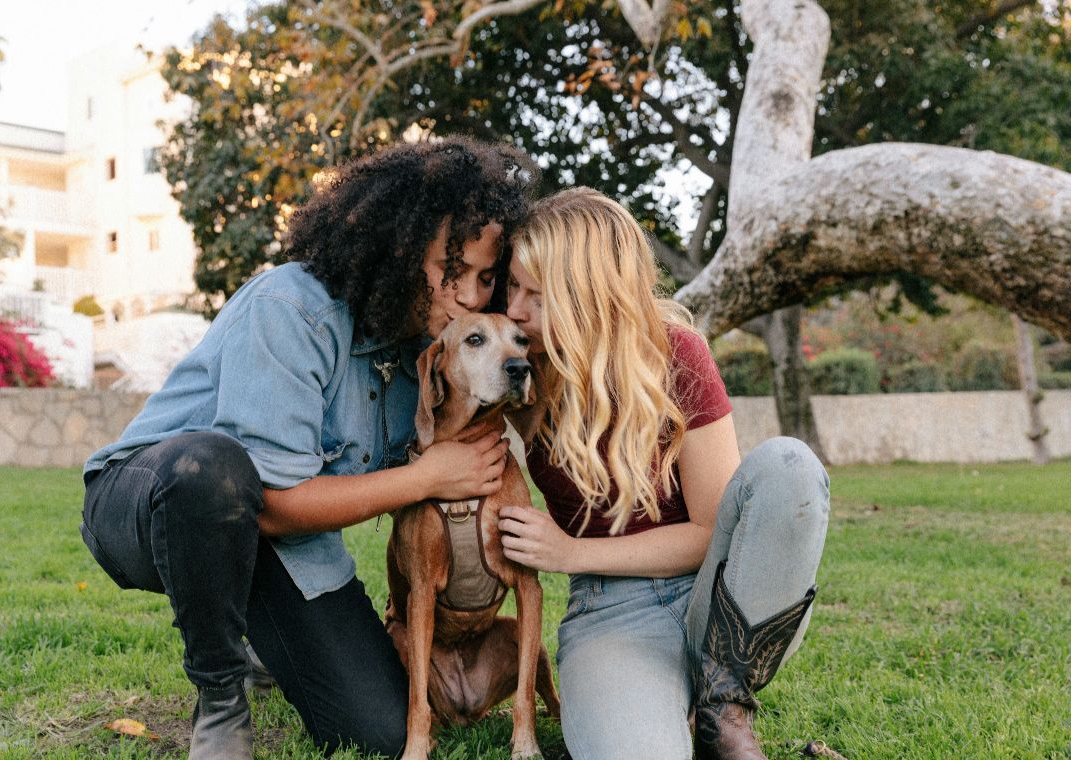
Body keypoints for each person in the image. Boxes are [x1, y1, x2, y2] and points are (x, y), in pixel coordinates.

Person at [79, 137, 538, 759]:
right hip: (155, 500)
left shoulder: (437, 355)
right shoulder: (292, 309)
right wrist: (427, 478)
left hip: (283, 543)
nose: (467, 295)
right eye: (449, 270)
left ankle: (269, 644)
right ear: (399, 249)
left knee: (378, 730)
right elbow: (269, 503)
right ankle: (220, 696)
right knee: (212, 469)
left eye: (484, 278)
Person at [498, 187, 830, 760]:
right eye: (511, 286)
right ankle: (672, 704)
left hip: (721, 598)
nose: (515, 310)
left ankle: (722, 707)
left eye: (538, 296)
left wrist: (569, 552)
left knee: (789, 466)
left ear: (591, 297)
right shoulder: (522, 371)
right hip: (612, 611)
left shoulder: (675, 354)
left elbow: (710, 532)